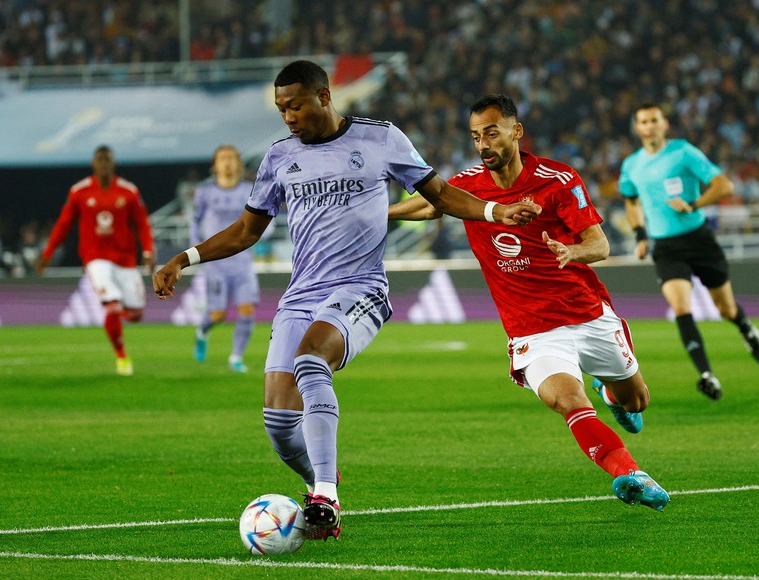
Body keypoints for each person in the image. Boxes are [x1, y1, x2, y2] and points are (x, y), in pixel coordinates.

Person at [152, 60, 540, 540]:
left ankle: (323, 499)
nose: (288, 116)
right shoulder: (278, 158)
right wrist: (183, 259)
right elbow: (247, 231)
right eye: (280, 108)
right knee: (277, 421)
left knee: (311, 360)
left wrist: (495, 211)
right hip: (301, 294)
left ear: (324, 96)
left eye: (295, 105)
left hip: (361, 288)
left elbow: (440, 195)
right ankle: (324, 478)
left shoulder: (381, 139)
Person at [389, 94, 670, 512]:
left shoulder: (558, 180)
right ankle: (629, 473)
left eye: (491, 133)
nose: (483, 144)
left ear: (516, 132)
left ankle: (615, 396)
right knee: (569, 401)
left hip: (586, 313)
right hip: (532, 329)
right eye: (475, 136)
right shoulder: (467, 183)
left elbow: (600, 243)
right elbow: (433, 204)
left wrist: (571, 253)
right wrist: (382, 213)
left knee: (636, 401)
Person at [618, 103, 759, 401]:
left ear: (665, 124)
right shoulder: (631, 165)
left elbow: (725, 185)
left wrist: (695, 205)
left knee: (726, 309)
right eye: (643, 121)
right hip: (666, 246)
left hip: (699, 239)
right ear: (637, 128)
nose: (649, 126)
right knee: (681, 308)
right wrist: (640, 234)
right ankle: (706, 375)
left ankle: (745, 327)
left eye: (654, 120)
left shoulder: (683, 152)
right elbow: (631, 201)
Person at [36, 145, 155, 377]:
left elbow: (142, 223)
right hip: (95, 258)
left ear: (113, 163)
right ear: (93, 164)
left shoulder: (129, 191)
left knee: (136, 314)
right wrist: (47, 252)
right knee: (112, 304)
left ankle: (117, 314)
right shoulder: (79, 191)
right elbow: (64, 224)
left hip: (125, 259)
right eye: (99, 160)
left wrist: (148, 251)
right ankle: (122, 357)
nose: (103, 164)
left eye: (107, 160)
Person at [191, 145, 260, 372]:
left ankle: (236, 357)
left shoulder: (250, 191)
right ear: (215, 165)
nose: (228, 162)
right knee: (218, 314)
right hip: (216, 264)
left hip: (242, 262)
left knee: (247, 309)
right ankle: (202, 331)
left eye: (231, 158)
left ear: (238, 163)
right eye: (223, 158)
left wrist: (260, 236)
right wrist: (196, 250)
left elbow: (263, 219)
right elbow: (195, 221)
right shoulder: (205, 192)